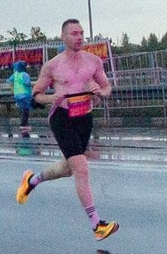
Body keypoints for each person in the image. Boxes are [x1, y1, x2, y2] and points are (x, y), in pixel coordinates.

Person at [15, 18, 117, 240]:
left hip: (84, 117)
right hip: (62, 117)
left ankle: (31, 181)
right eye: (74, 33)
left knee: (69, 168)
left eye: (81, 33)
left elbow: (108, 88)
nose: (79, 37)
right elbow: (36, 96)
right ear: (63, 37)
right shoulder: (52, 65)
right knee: (81, 169)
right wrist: (52, 97)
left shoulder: (93, 61)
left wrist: (99, 91)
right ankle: (97, 225)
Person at [11, 60, 35, 129]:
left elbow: (9, 81)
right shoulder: (25, 74)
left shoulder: (15, 74)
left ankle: (23, 123)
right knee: (26, 109)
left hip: (17, 94)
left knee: (22, 109)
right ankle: (24, 125)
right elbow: (26, 83)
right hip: (24, 94)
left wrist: (13, 89)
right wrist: (34, 84)